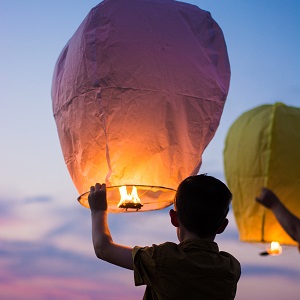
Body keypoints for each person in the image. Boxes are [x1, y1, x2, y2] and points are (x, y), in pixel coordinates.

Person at [88, 174, 241, 299]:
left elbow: (103, 248)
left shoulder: (162, 259)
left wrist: (98, 210)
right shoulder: (231, 268)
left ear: (174, 218)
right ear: (222, 226)